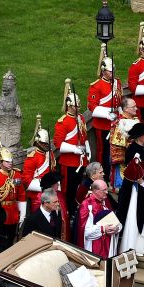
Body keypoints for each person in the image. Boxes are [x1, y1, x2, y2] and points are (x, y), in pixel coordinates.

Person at [117, 123, 144, 257]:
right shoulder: (132, 149)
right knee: (136, 215)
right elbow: (133, 170)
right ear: (140, 136)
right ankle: (134, 246)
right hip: (138, 188)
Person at [54, 81, 90, 223]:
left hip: (81, 161)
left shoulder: (80, 118)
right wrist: (75, 149)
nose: (78, 108)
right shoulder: (63, 122)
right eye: (75, 106)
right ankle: (67, 212)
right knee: (69, 190)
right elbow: (58, 143)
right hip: (69, 162)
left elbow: (84, 135)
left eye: (79, 105)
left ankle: (75, 208)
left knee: (78, 188)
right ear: (69, 106)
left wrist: (87, 148)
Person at [87, 49, 120, 179]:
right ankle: (103, 175)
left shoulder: (117, 82)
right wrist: (107, 114)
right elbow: (92, 106)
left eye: (113, 71)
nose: (112, 73)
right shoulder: (96, 86)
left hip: (115, 123)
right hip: (103, 125)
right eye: (109, 71)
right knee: (104, 151)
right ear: (103, 71)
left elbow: (118, 101)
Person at [0, 141, 26, 245]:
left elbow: (21, 194)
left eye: (11, 161)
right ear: (0, 162)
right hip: (1, 212)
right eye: (7, 161)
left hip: (13, 213)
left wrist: (22, 213)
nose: (10, 163)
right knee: (0, 239)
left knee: (11, 238)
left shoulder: (17, 174)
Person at [76, 179, 121, 259]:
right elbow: (84, 232)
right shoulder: (87, 205)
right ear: (96, 191)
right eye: (104, 190)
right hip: (94, 249)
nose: (107, 192)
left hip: (109, 247)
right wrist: (103, 229)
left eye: (107, 189)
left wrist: (117, 228)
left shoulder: (105, 202)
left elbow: (117, 222)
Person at [109, 97, 139, 188]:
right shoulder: (120, 123)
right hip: (125, 162)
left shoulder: (134, 120)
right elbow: (118, 145)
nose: (136, 108)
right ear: (125, 109)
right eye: (133, 107)